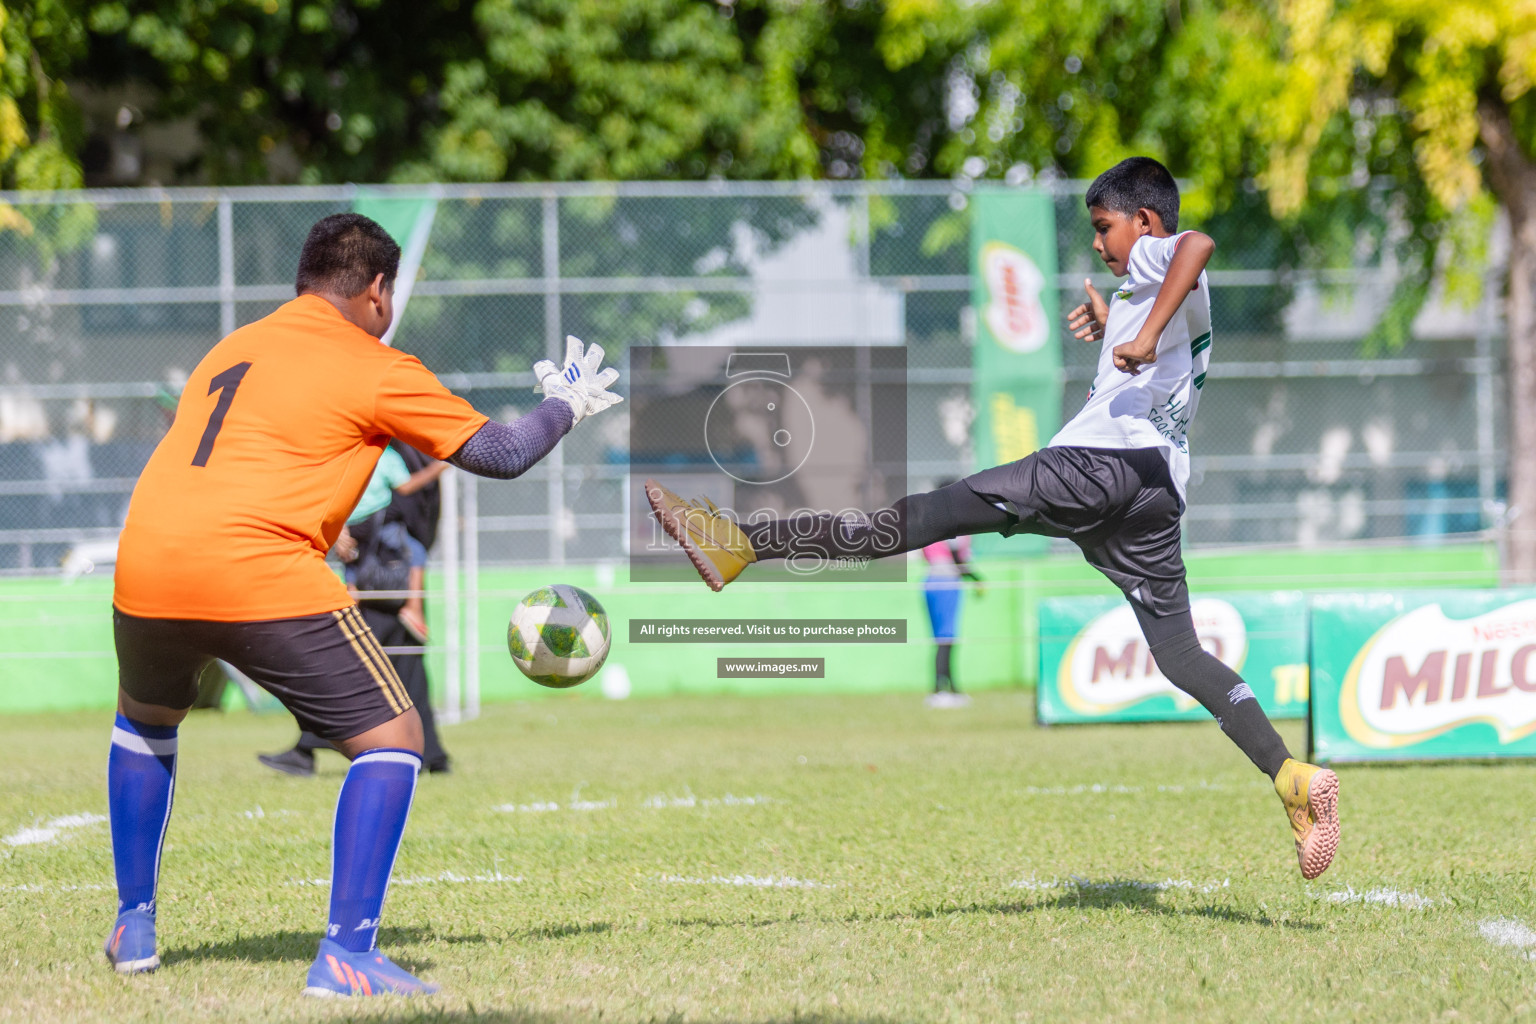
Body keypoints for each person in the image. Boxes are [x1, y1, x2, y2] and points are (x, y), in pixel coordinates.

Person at [645, 157, 1341, 881]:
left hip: (1095, 468)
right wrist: (1119, 325)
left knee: (922, 515)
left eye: (1105, 229)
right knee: (1180, 656)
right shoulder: (1149, 296)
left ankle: (740, 544)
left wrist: (1136, 332)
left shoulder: (1168, 257)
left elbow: (1196, 245)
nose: (1099, 245)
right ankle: (1291, 776)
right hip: (1155, 492)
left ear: (1145, 221)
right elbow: (1160, 336)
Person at [104, 213, 621, 996]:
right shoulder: (373, 362)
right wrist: (565, 405)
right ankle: (347, 956)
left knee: (145, 721)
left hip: (144, 561)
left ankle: (133, 922)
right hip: (256, 569)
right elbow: (504, 454)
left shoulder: (231, 347)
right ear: (378, 290)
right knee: (393, 736)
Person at [258, 442, 453, 777]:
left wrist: (412, 602)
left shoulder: (382, 469)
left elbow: (413, 543)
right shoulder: (388, 461)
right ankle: (430, 755)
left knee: (348, 667)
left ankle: (306, 750)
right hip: (384, 586)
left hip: (382, 589)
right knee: (401, 667)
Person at [919, 501, 984, 709]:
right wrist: (976, 578)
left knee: (942, 638)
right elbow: (957, 558)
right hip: (947, 582)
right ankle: (941, 689)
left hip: (931, 581)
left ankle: (950, 688)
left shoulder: (928, 523)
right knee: (947, 637)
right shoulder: (950, 524)